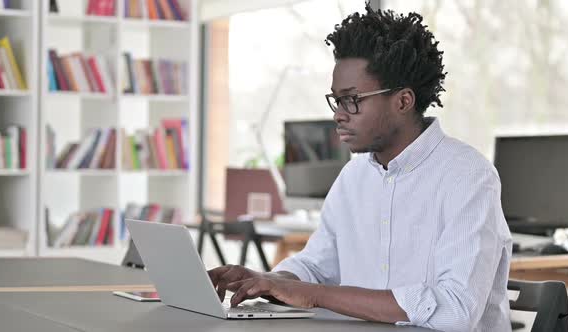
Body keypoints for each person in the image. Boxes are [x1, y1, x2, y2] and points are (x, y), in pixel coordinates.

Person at [208, 3, 512, 331]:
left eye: (352, 99)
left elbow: (455, 309)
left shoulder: (468, 177)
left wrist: (313, 295)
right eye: (337, 100)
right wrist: (265, 280)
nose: (339, 113)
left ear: (403, 101)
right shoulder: (353, 177)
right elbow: (315, 267)